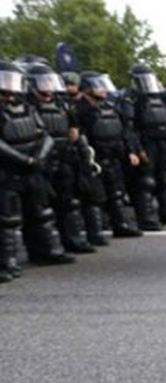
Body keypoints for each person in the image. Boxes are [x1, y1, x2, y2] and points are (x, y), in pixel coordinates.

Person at [1, 59, 77, 284]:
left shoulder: (27, 107)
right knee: (7, 219)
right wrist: (24, 159)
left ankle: (47, 251)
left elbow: (45, 135)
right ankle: (7, 262)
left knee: (41, 212)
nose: (8, 87)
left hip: (32, 168)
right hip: (7, 171)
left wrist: (38, 158)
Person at [25, 62, 95, 254]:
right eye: (42, 82)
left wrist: (75, 133)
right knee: (40, 207)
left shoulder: (62, 103)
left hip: (64, 157)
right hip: (40, 160)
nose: (47, 87)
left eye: (49, 81)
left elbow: (75, 126)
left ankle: (71, 240)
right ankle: (43, 249)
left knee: (68, 202)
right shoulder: (27, 106)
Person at [76, 71, 143, 240]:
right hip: (93, 159)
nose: (103, 90)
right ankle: (95, 232)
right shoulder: (79, 109)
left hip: (113, 156)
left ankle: (121, 225)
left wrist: (130, 151)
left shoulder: (109, 107)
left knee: (116, 193)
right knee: (94, 197)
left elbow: (123, 131)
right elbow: (77, 135)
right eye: (98, 86)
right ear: (86, 88)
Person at [121, 63, 166, 228]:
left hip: (163, 142)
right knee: (146, 181)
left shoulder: (159, 98)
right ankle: (147, 217)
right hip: (146, 142)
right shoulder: (131, 99)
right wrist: (137, 149)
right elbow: (129, 127)